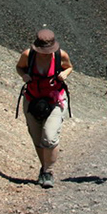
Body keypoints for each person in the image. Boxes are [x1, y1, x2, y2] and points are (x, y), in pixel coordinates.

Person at [16, 29, 73, 188]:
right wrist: (24, 76)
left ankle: (48, 171)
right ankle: (44, 168)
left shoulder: (60, 55)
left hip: (55, 99)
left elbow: (69, 67)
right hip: (32, 99)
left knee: (49, 137)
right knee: (37, 138)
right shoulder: (28, 55)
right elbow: (19, 67)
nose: (46, 53)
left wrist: (65, 74)